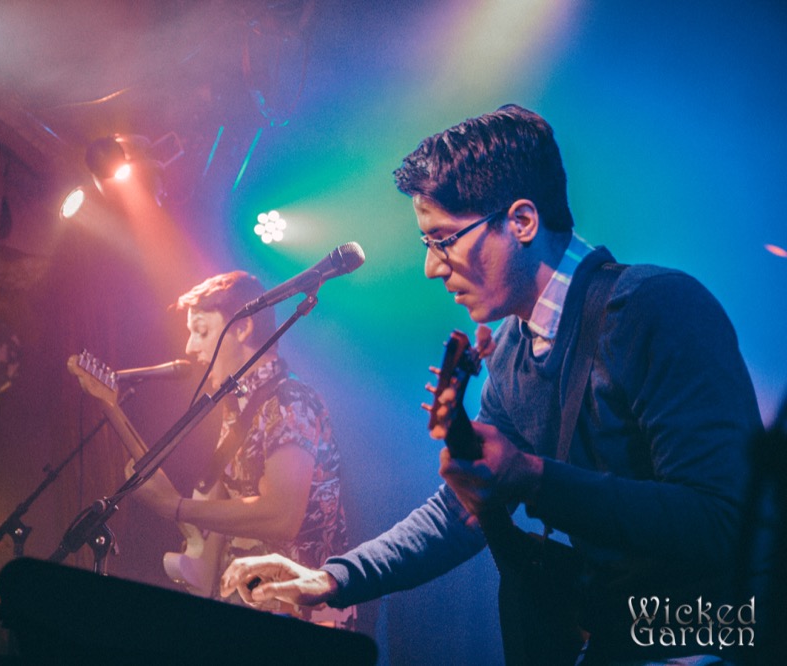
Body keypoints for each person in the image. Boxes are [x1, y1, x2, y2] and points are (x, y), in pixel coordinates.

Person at [220, 105, 764, 664]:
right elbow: (461, 511)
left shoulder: (654, 309)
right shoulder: (512, 351)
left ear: (522, 222)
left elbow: (725, 519)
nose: (432, 268)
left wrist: (534, 477)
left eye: (443, 239)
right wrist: (331, 578)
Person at [71, 270, 355, 629]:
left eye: (201, 331)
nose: (190, 347)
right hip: (251, 609)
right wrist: (111, 408)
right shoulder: (237, 409)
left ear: (242, 328)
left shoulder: (289, 400)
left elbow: (282, 516)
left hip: (306, 620)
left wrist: (175, 507)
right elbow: (208, 513)